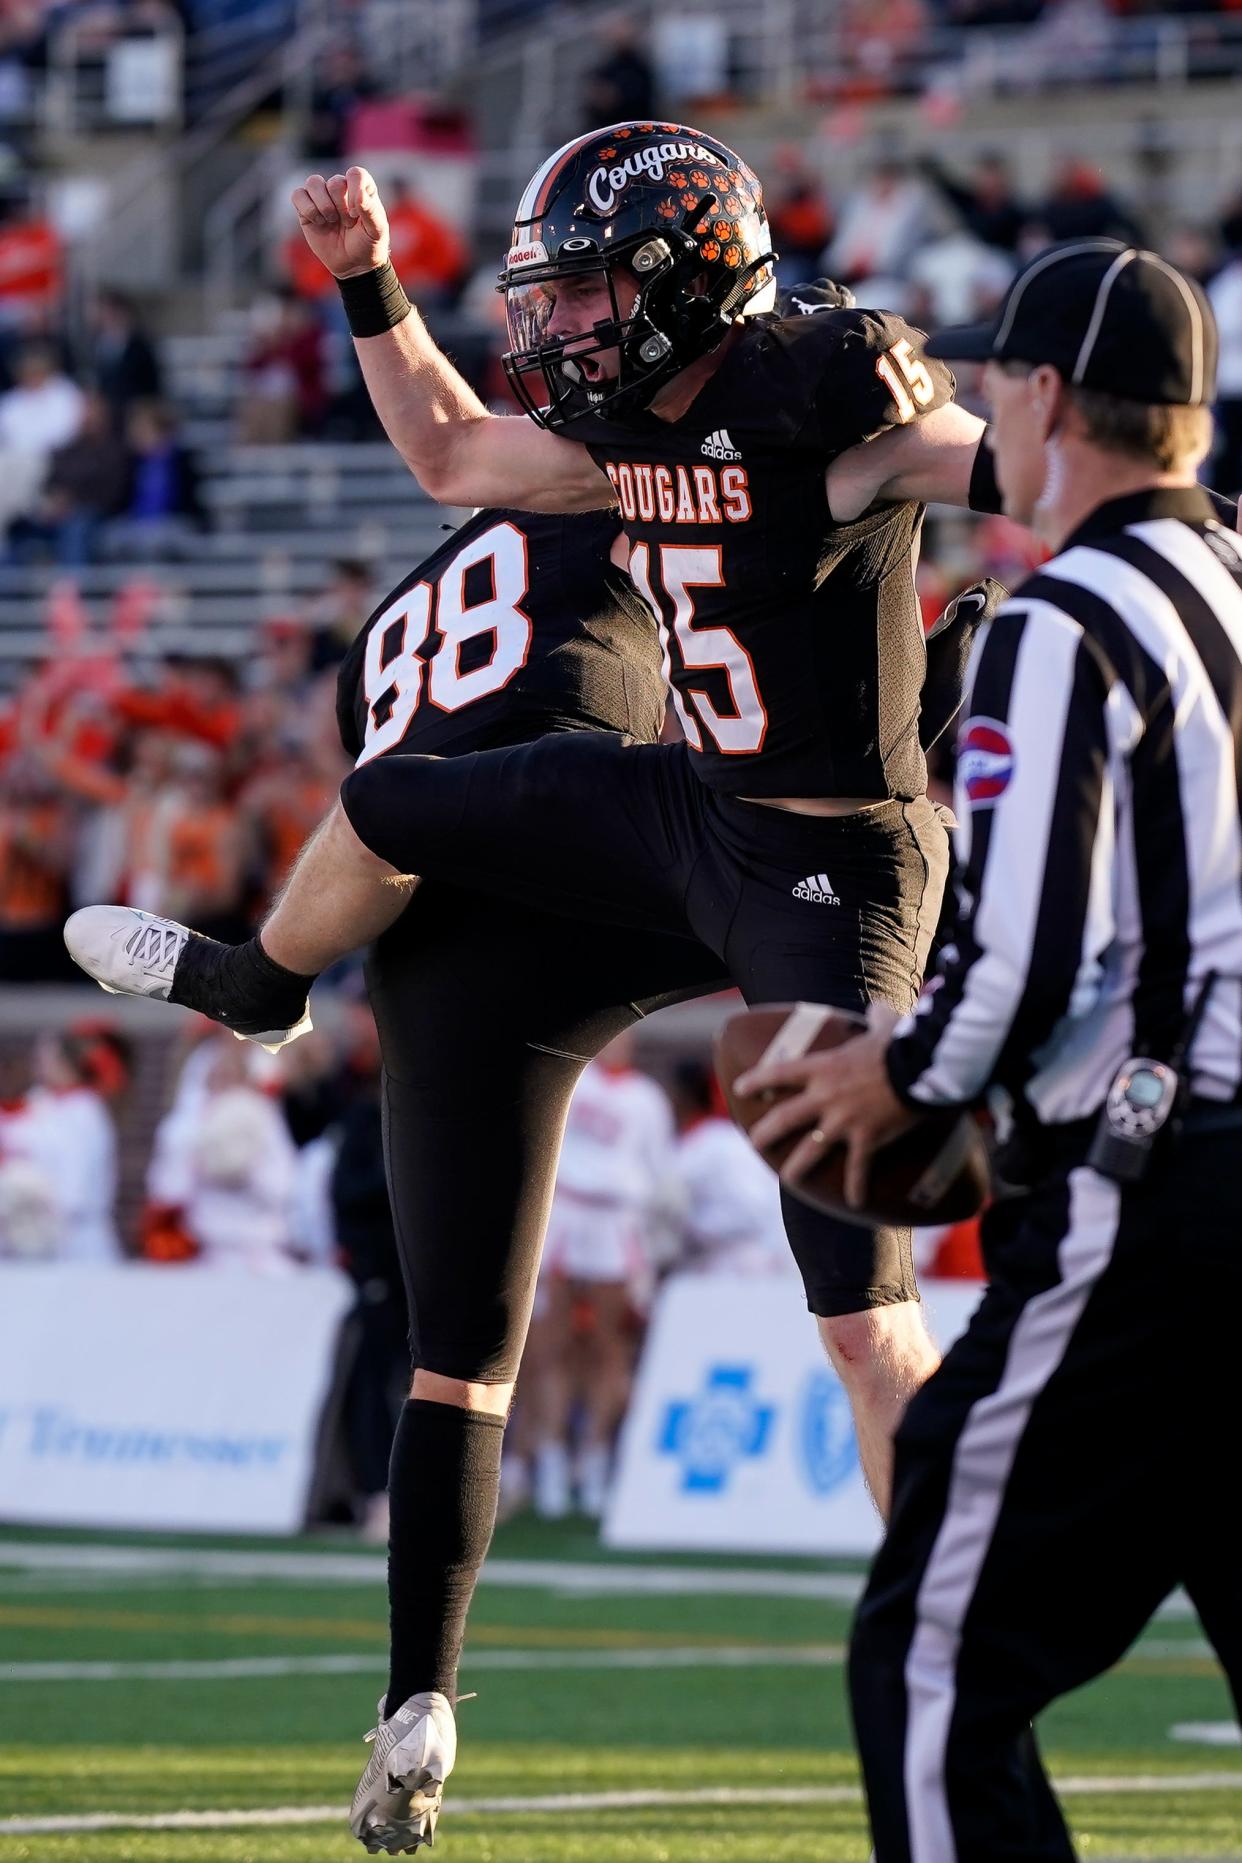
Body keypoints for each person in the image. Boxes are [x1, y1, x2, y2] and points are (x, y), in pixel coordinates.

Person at [733, 238, 1242, 1862]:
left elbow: (1017, 952)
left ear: (1037, 397)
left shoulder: (1060, 616)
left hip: (1153, 1195)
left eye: (990, 386)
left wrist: (904, 1071)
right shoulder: (1230, 585)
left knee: (931, 1659)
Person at [534, 1034, 676, 1518]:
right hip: (565, 1213)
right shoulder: (572, 1075)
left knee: (609, 1346)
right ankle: (551, 1456)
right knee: (550, 1344)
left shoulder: (647, 1099)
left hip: (616, 1223)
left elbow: (658, 1170)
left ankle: (593, 1458)